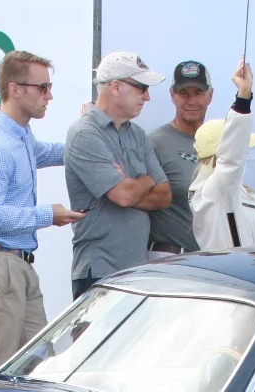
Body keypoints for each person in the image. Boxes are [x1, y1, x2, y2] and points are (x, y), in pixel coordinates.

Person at [0, 49, 83, 379]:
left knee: (36, 369)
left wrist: (87, 139)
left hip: (13, 263)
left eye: (49, 86)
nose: (50, 95)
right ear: (15, 89)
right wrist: (48, 214)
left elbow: (45, 153)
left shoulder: (18, 133)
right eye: (42, 87)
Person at [64, 51, 170, 298]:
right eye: (141, 87)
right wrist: (145, 179)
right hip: (99, 273)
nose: (147, 96)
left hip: (135, 272)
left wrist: (132, 187)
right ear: (115, 86)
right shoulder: (84, 133)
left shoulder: (138, 134)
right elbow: (123, 196)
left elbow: (164, 196)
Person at [188, 60, 255, 249]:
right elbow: (232, 158)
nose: (245, 151)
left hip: (246, 271)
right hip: (230, 273)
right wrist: (243, 97)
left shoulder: (231, 189)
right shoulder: (216, 187)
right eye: (242, 145)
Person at [147, 61, 210, 254]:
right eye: (184, 93)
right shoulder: (155, 143)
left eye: (198, 93)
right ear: (172, 95)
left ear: (210, 95)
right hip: (170, 258)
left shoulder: (219, 143)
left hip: (212, 260)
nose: (191, 101)